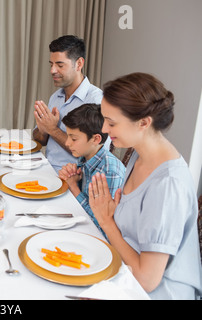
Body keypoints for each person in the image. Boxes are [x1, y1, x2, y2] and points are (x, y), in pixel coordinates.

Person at [88, 73, 202, 299]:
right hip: (126, 275)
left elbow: (147, 280)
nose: (104, 129)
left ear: (144, 123)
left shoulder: (168, 185)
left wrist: (107, 223)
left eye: (111, 122)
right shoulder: (138, 156)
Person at [32, 35, 104, 172]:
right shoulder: (56, 97)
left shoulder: (96, 100)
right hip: (47, 169)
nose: (52, 70)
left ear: (79, 64)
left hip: (74, 179)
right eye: (51, 64)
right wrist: (43, 130)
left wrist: (53, 129)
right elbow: (40, 141)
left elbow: (94, 155)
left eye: (59, 65)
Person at [58, 104, 125, 237]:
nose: (67, 143)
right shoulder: (86, 157)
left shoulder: (110, 171)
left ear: (96, 139)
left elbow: (102, 225)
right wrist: (73, 178)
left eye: (74, 138)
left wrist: (73, 188)